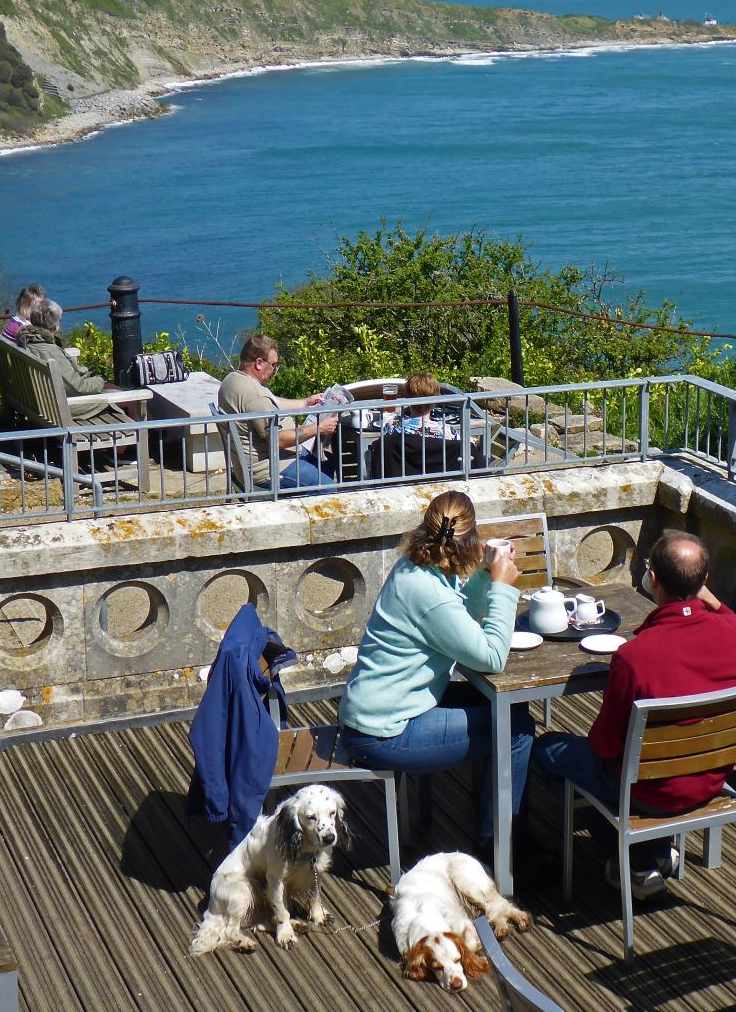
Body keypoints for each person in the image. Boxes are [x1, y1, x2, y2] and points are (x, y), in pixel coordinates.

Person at [532, 529, 736, 898]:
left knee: (547, 750)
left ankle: (635, 853)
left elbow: (605, 746)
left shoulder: (634, 657)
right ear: (705, 582)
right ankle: (649, 853)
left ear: (653, 580)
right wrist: (708, 601)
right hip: (710, 781)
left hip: (651, 793)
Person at [339, 490, 534, 856]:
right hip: (386, 732)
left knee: (507, 711)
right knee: (516, 730)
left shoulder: (413, 566)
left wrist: (482, 576)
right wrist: (503, 588)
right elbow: (491, 657)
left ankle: (493, 817)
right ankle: (502, 852)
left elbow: (458, 616)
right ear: (472, 537)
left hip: (379, 710)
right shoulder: (430, 594)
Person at [216, 335, 338, 491]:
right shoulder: (254, 394)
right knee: (328, 488)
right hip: (269, 469)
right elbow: (277, 440)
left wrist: (304, 403)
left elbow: (272, 402)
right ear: (259, 363)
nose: (275, 370)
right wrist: (318, 428)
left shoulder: (233, 379)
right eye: (274, 365)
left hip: (260, 462)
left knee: (328, 462)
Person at [369, 372, 486, 479]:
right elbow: (466, 452)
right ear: (435, 400)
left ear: (408, 398)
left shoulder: (393, 428)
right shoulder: (448, 432)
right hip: (440, 485)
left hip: (402, 484)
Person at [18, 298, 113, 415]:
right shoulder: (50, 352)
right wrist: (99, 381)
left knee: (112, 389)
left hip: (37, 403)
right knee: (126, 400)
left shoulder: (27, 341)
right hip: (58, 409)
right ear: (55, 326)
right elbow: (78, 387)